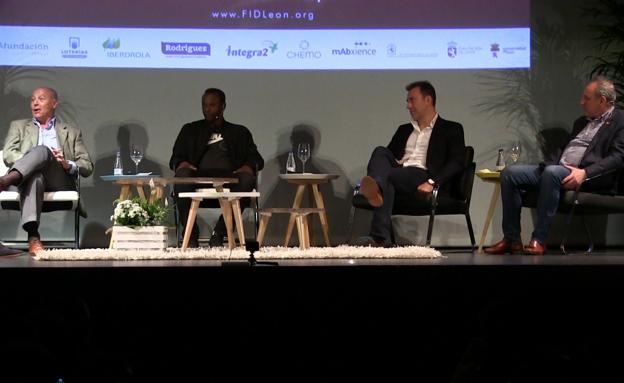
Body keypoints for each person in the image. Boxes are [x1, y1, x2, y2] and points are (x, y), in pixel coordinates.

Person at [485, 77, 624, 255]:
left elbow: (618, 157)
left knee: (551, 173)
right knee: (510, 173)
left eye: (586, 98)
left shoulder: (620, 121)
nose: (581, 103)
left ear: (602, 101)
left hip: (587, 176)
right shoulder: (582, 122)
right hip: (558, 168)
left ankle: (539, 239)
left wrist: (585, 173)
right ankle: (512, 240)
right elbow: (567, 148)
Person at [356, 81, 466, 247]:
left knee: (388, 177)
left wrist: (432, 182)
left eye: (412, 100)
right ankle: (378, 187)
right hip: (398, 171)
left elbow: (457, 162)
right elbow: (387, 159)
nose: (408, 106)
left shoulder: (452, 128)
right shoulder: (404, 130)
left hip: (422, 174)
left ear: (428, 100)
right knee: (380, 152)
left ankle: (379, 235)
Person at [0, 87, 93, 255]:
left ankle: (5, 181)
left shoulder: (71, 133)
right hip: (29, 179)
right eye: (33, 99)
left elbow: (86, 166)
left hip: (59, 180)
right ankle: (33, 237)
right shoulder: (19, 127)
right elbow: (8, 154)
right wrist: (33, 159)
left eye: (41, 99)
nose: (35, 103)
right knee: (36, 175)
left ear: (54, 103)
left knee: (43, 150)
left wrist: (67, 164)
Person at [170, 88, 264, 247]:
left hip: (230, 178)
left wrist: (248, 166)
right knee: (182, 176)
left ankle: (221, 232)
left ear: (223, 106)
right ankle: (190, 233)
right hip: (197, 176)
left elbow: (256, 159)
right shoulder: (190, 130)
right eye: (204, 105)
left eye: (212, 105)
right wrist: (182, 164)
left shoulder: (239, 132)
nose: (207, 109)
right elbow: (176, 157)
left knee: (248, 178)